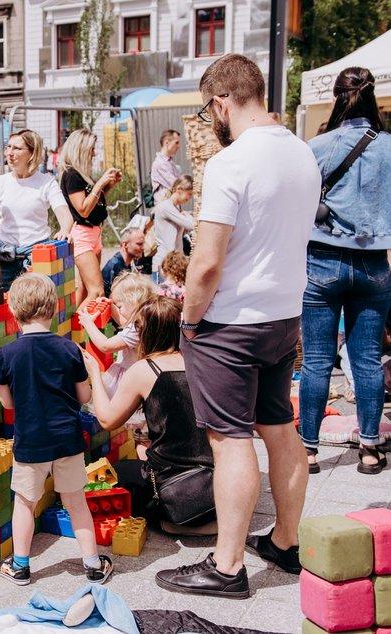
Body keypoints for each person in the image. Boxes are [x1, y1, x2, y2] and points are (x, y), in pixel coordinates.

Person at [155, 54, 320, 599]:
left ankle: (226, 568)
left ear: (221, 102)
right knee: (279, 428)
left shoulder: (230, 162)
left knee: (229, 442)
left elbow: (205, 262)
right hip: (282, 314)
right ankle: (286, 540)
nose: (211, 121)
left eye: (209, 111)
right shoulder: (303, 153)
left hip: (230, 321)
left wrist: (190, 318)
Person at [0, 273, 113, 586]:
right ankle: (93, 564)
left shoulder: (7, 355)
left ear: (13, 312)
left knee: (25, 504)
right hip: (67, 440)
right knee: (76, 503)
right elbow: (84, 397)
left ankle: (20, 566)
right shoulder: (68, 349)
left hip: (31, 442)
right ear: (54, 308)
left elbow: (8, 405)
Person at [300, 66, 391, 475]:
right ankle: (370, 450)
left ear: (338, 98)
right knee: (368, 360)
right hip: (374, 263)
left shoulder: (317, 146)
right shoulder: (389, 147)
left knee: (317, 361)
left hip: (322, 259)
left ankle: (308, 451)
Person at [83, 296, 214, 528]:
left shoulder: (144, 370)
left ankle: (165, 517)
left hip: (171, 484)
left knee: (109, 474)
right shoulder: (204, 360)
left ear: (145, 333)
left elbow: (106, 420)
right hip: (215, 483)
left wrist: (94, 372)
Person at [0, 129, 74, 288]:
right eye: (8, 147)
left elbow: (65, 215)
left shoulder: (46, 182)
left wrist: (65, 230)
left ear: (32, 153)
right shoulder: (0, 183)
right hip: (3, 256)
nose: (10, 153)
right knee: (3, 308)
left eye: (17, 148)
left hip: (35, 256)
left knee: (36, 307)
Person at [58, 129, 122, 308]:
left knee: (86, 289)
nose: (94, 154)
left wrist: (107, 187)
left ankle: (73, 330)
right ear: (81, 149)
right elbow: (83, 209)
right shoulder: (72, 175)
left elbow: (92, 201)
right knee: (97, 291)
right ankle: (79, 330)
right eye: (92, 149)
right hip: (83, 235)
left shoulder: (81, 174)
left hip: (94, 234)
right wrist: (100, 183)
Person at [78, 272, 157, 397]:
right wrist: (111, 306)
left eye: (119, 306)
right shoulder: (144, 321)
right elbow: (124, 321)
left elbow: (106, 346)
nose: (118, 310)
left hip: (128, 378)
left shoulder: (135, 330)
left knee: (118, 406)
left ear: (133, 302)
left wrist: (88, 324)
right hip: (136, 372)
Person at [151, 175, 195, 283]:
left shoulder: (175, 209)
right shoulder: (166, 207)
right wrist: (187, 216)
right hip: (163, 263)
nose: (189, 198)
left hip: (172, 263)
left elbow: (186, 230)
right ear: (179, 189)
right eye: (189, 194)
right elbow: (191, 225)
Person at [100, 228, 144, 296]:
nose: (143, 247)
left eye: (143, 244)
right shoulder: (116, 266)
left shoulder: (125, 263)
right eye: (139, 244)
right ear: (125, 245)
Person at [150, 129, 181, 204]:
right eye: (176, 143)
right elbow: (175, 184)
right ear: (166, 143)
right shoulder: (160, 163)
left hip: (171, 207)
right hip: (165, 210)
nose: (178, 146)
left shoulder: (170, 162)